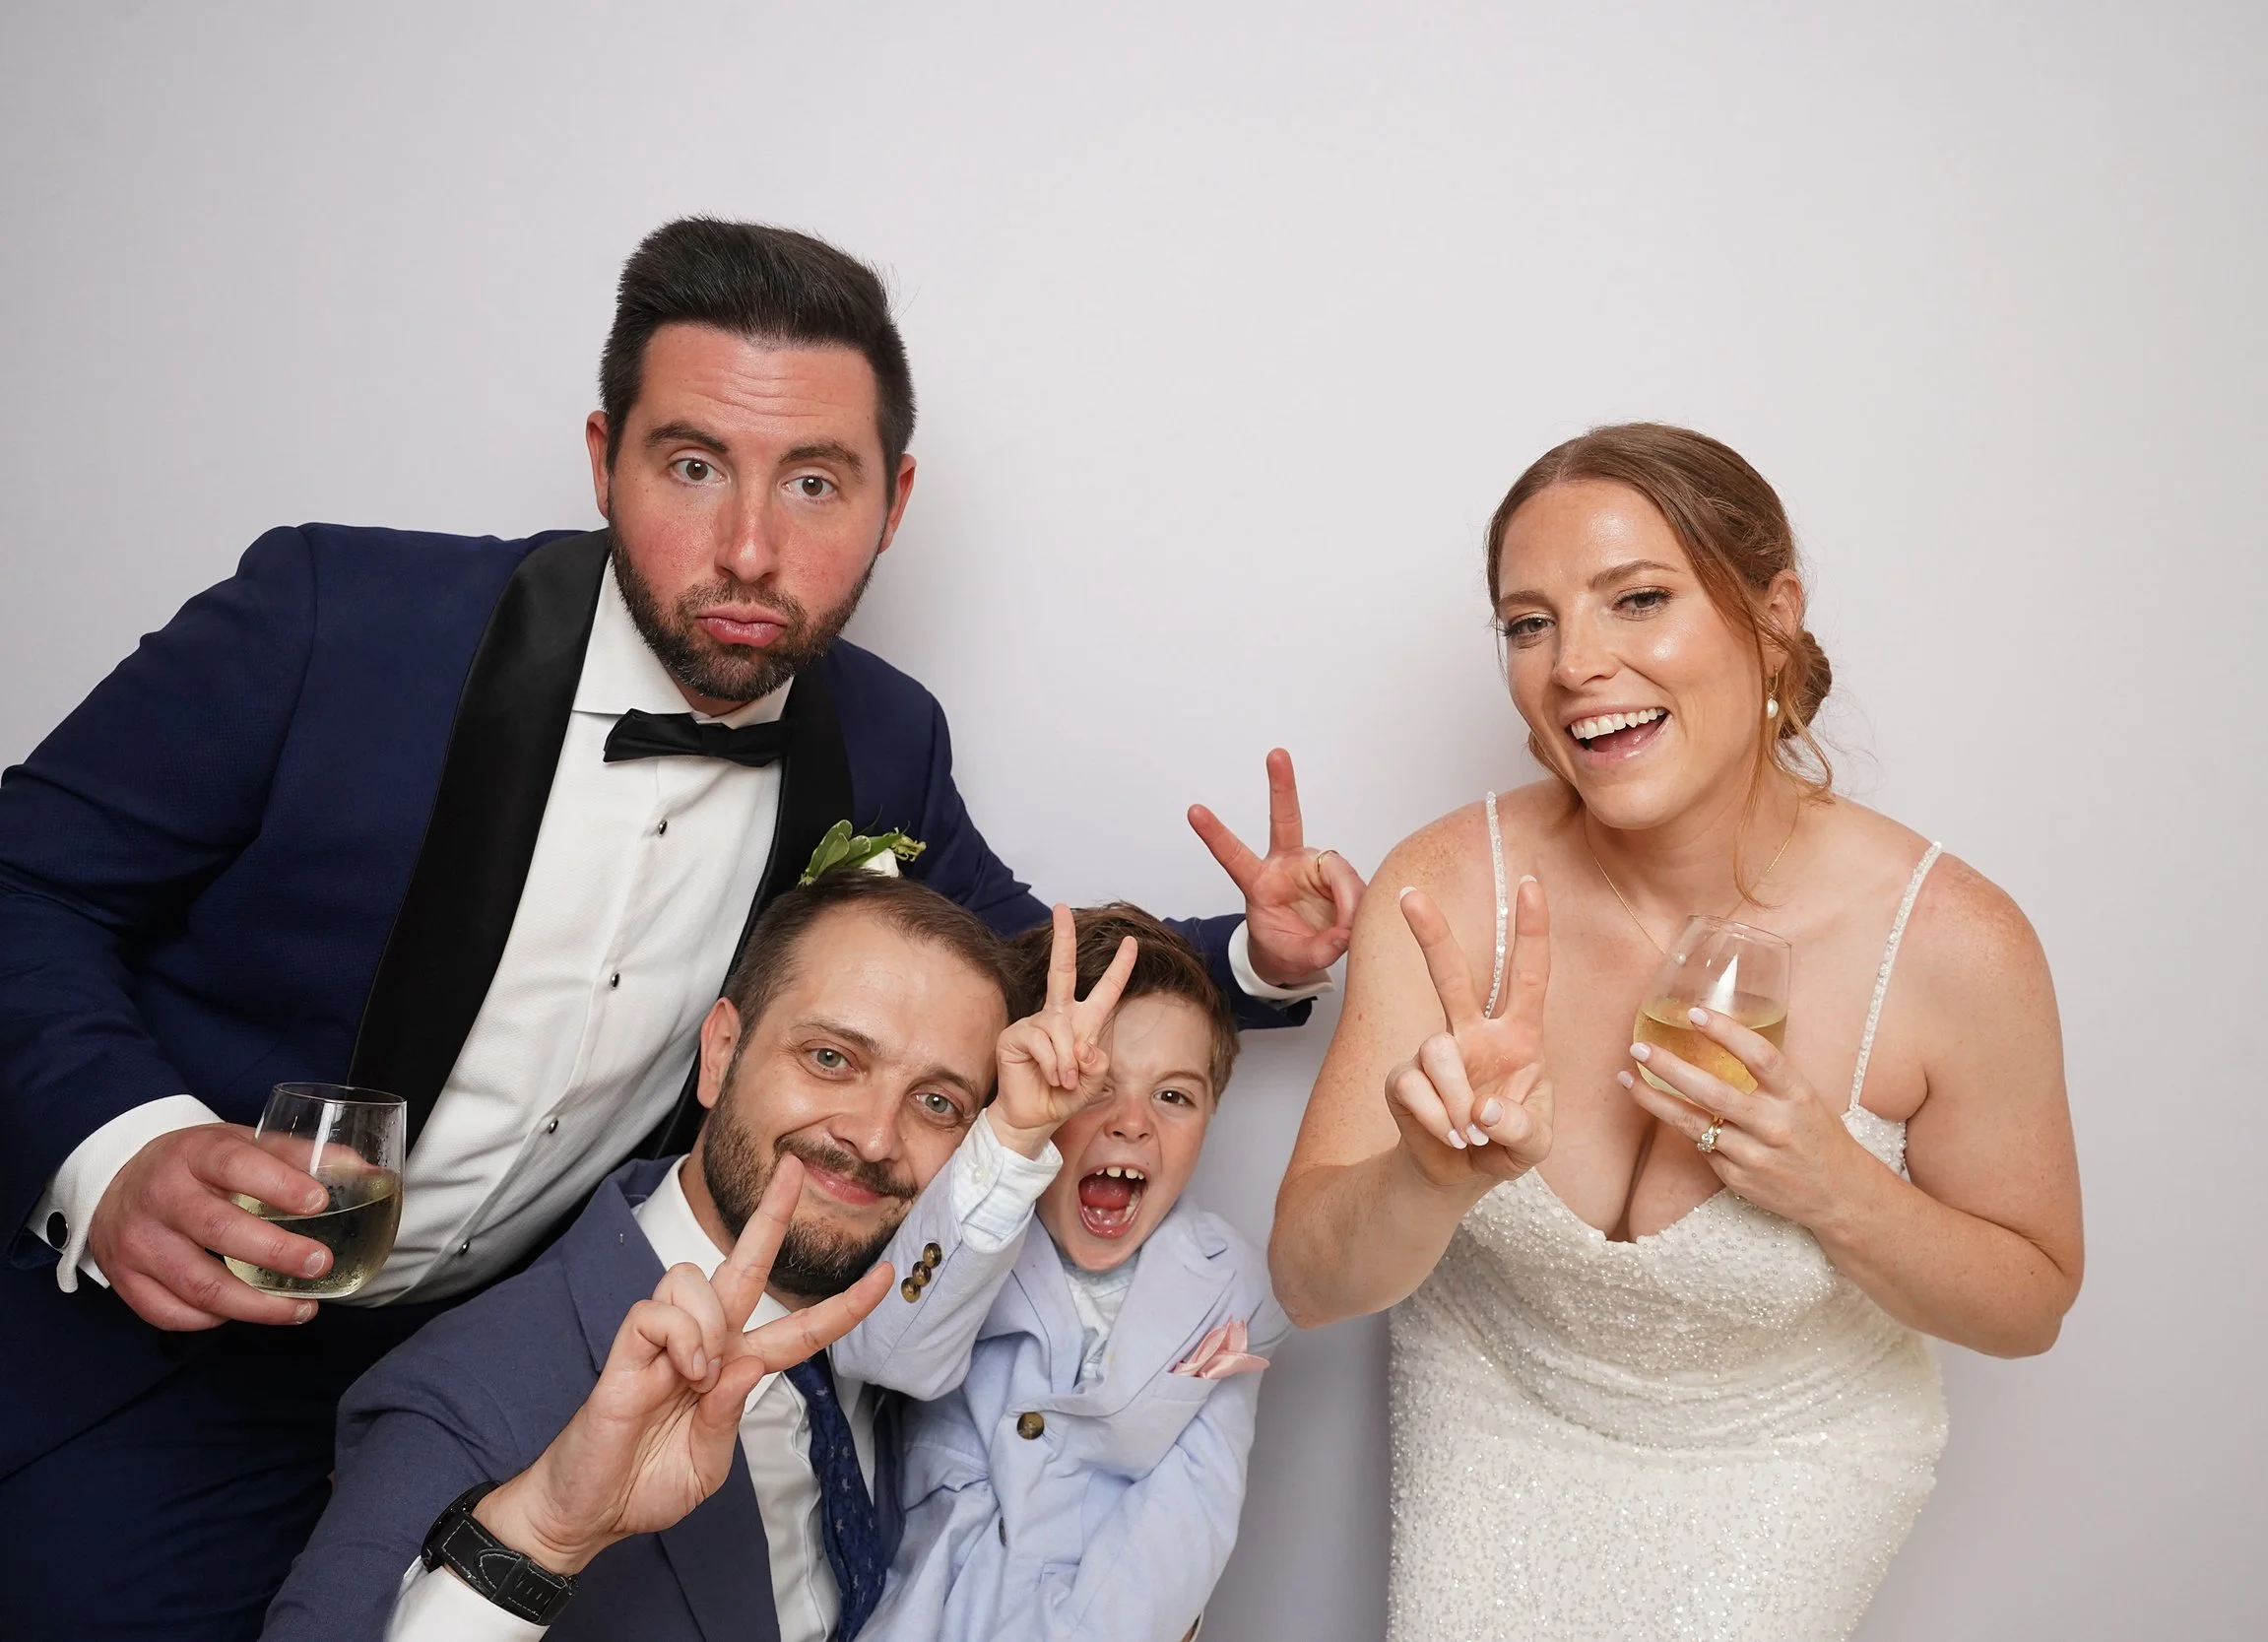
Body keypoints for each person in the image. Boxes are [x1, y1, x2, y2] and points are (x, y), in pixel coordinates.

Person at [0, 216, 1365, 1642]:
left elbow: (1031, 968)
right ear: (605, 457)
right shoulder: (334, 617)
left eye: (817, 482)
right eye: (694, 465)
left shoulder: (883, 738)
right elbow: (26, 876)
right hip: (154, 1352)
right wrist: (123, 1146)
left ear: (894, 502)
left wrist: (1259, 958)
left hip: (543, 1376)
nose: (751, 548)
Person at [1267, 425, 2085, 1641]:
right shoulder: (1448, 889)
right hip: (1490, 1405)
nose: (1574, 664)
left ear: (1772, 617)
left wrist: (1837, 1186)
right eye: (1528, 623)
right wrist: (1425, 1175)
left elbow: (2028, 1305)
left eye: (1637, 600)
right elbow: (1309, 1279)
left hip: (1785, 1454)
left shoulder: (1951, 942)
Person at [265, 868, 1134, 1641]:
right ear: (721, 1053)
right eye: (831, 1057)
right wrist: (543, 1537)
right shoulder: (470, 1389)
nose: (874, 1138)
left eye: (938, 1103)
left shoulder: (894, 1311)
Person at [860, 904, 1286, 1642]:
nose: (1132, 1122)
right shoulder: (964, 1221)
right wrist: (1013, 1138)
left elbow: (1184, 1526)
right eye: (1094, 1086)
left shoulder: (1234, 1286)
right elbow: (884, 1350)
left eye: (1175, 1094)